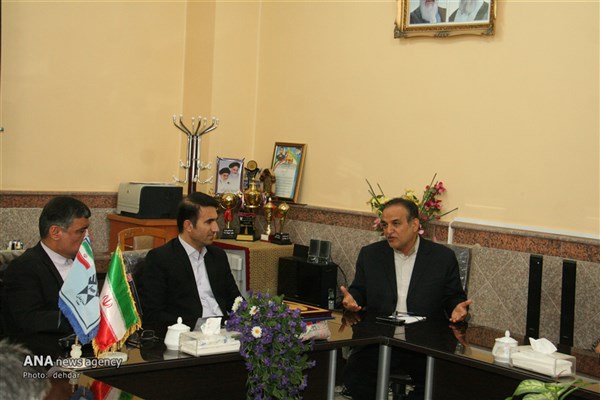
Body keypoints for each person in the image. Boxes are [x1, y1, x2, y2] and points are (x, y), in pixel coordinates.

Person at [340, 197, 471, 400]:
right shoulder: (371, 255)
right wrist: (353, 300)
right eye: (385, 225)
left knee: (441, 383)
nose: (389, 231)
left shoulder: (442, 258)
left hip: (424, 344)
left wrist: (457, 308)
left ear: (415, 224)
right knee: (355, 375)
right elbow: (359, 290)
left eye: (396, 223)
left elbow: (453, 296)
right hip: (379, 340)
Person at [2, 196, 91, 355]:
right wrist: (80, 318)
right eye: (81, 231)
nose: (87, 237)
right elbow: (28, 319)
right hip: (45, 356)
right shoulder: (24, 267)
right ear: (55, 232)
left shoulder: (82, 263)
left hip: (86, 348)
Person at [138, 192, 242, 326]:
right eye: (209, 222)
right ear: (188, 226)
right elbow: (153, 314)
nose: (216, 228)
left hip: (223, 329)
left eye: (215, 220)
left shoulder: (218, 256)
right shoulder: (161, 259)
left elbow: (235, 301)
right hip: (187, 332)